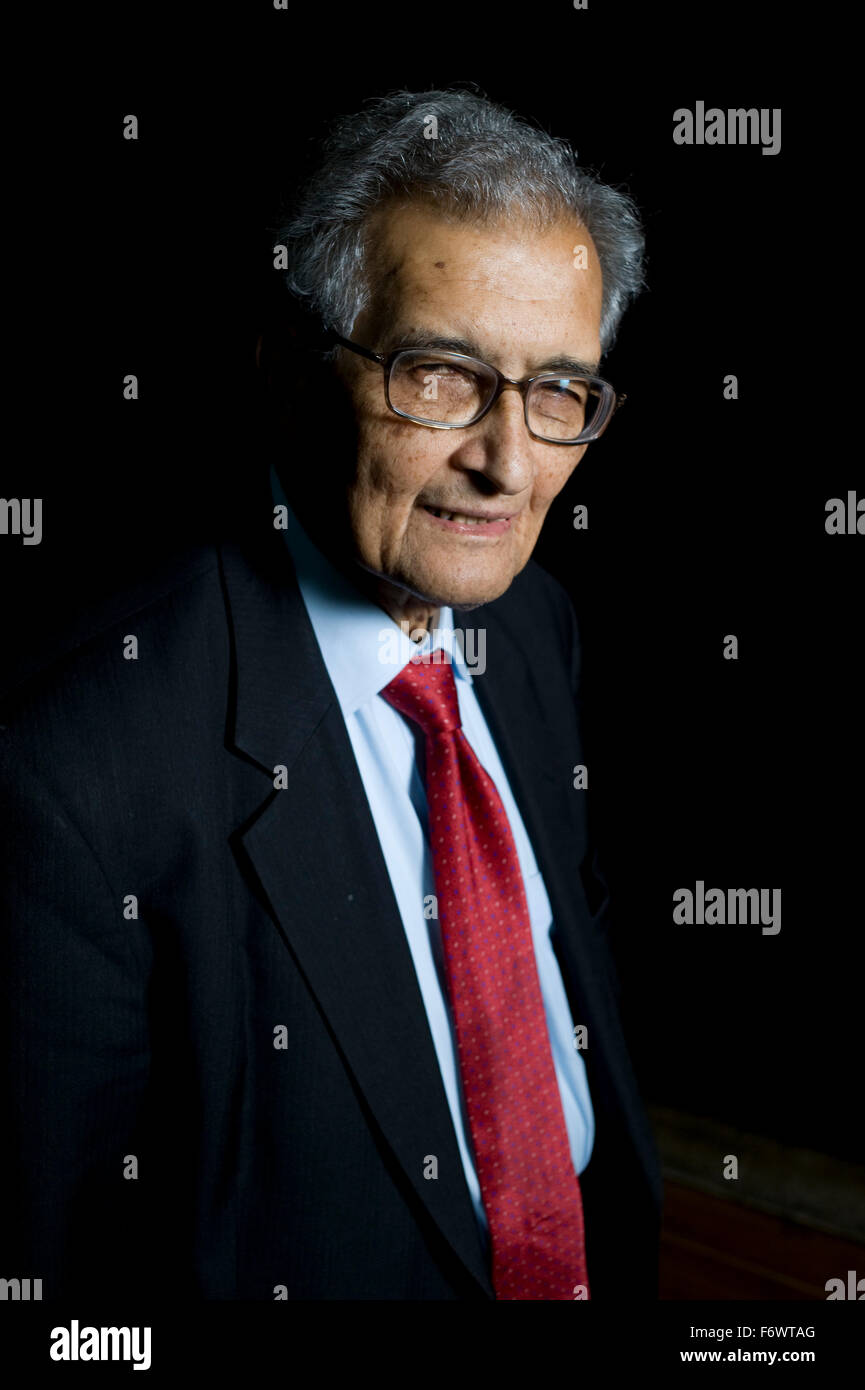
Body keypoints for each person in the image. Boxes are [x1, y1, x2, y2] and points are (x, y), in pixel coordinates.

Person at [1, 88, 662, 1301]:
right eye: (441, 375)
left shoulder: (528, 627)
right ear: (292, 373)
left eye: (559, 392)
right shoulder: (72, 771)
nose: (505, 462)